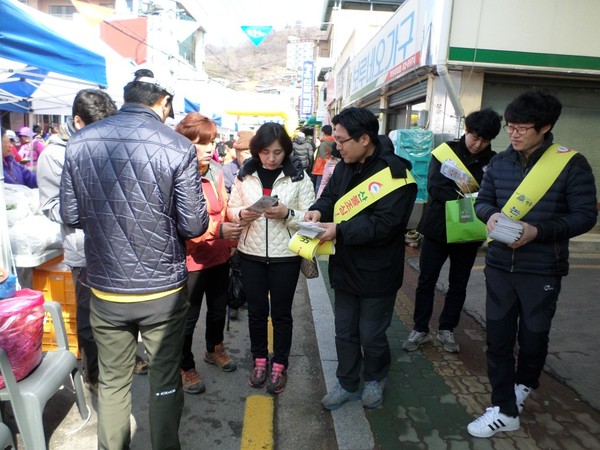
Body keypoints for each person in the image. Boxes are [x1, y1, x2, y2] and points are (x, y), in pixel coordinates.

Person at [60, 69, 209, 449]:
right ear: (163, 105)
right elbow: (194, 224)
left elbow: (71, 213)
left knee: (112, 384)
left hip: (107, 287)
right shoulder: (177, 147)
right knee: (163, 380)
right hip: (162, 291)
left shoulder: (80, 142)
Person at [468, 90, 597, 438]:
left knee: (533, 336)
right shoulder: (499, 162)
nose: (513, 133)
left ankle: (524, 383)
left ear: (546, 128)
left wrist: (539, 231)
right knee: (497, 338)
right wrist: (491, 215)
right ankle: (505, 409)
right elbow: (483, 201)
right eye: (510, 126)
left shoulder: (571, 164)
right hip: (498, 266)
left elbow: (585, 216)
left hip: (542, 267)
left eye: (523, 128)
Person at [305, 107, 417, 410]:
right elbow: (330, 197)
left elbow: (385, 224)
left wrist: (338, 230)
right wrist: (318, 209)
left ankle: (375, 378)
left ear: (364, 138)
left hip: (378, 271)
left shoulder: (397, 175)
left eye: (341, 141)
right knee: (344, 332)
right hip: (345, 267)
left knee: (372, 334)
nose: (336, 147)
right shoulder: (343, 166)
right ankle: (347, 382)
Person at [37, 89, 149, 394]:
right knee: (89, 316)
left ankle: (125, 358)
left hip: (118, 245)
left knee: (121, 310)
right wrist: (90, 208)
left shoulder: (106, 144)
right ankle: (95, 374)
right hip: (83, 249)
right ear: (77, 120)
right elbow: (50, 206)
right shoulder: (54, 155)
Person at [402, 109, 502, 353]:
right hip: (438, 228)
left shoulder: (495, 161)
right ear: (466, 131)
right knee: (426, 280)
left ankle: (447, 328)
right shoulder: (446, 152)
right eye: (475, 137)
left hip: (469, 232)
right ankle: (420, 328)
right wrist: (472, 200)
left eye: (485, 140)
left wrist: (469, 200)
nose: (478, 144)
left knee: (459, 283)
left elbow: (494, 195)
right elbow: (436, 187)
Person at [226, 122, 315, 395]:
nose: (271, 158)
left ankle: (280, 364)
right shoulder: (244, 175)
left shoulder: (299, 178)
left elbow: (311, 219)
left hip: (285, 257)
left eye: (277, 152)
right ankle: (260, 360)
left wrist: (288, 214)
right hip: (250, 255)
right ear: (256, 151)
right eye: (265, 152)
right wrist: (242, 214)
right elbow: (231, 209)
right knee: (256, 313)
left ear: (286, 151)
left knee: (281, 314)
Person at [175, 112, 242, 395]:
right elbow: (181, 224)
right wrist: (219, 230)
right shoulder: (177, 174)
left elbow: (223, 206)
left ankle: (214, 349)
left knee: (217, 309)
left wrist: (238, 217)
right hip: (190, 260)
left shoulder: (216, 171)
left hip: (218, 255)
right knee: (188, 318)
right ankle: (184, 366)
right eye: (200, 144)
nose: (209, 149)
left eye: (211, 142)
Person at [223, 130, 253, 195]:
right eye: (248, 153)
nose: (251, 157)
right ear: (237, 152)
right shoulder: (225, 171)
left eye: (254, 153)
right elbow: (223, 196)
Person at [312, 124, 335, 190]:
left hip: (321, 168)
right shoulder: (334, 143)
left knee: (319, 187)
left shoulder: (323, 144)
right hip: (330, 168)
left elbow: (323, 157)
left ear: (324, 133)